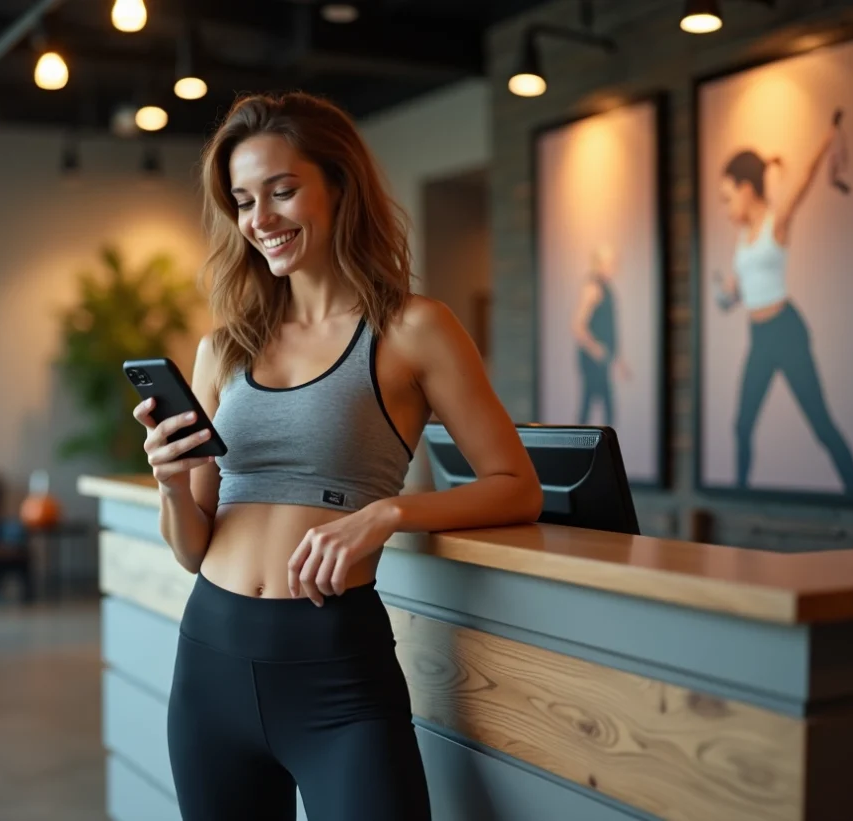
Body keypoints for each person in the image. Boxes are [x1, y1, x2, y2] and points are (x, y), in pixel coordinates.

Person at [130, 91, 544, 821]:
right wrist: (169, 483)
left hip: (335, 668)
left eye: (282, 191)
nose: (261, 219)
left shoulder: (413, 328)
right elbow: (192, 548)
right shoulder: (224, 347)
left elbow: (517, 486)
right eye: (243, 201)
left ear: (340, 186)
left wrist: (386, 514)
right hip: (209, 662)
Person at [713, 108, 853, 495]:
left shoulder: (775, 222)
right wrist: (725, 295)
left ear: (746, 189)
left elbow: (806, 177)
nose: (726, 209)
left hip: (787, 332)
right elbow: (737, 292)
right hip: (759, 337)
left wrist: (828, 137)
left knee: (821, 425)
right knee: (742, 425)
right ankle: (741, 495)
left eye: (727, 198)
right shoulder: (742, 239)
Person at [571, 244, 631, 426]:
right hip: (592, 361)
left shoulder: (607, 288)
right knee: (595, 404)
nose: (614, 267)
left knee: (600, 406)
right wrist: (596, 349)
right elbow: (577, 326)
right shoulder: (592, 288)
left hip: (603, 359)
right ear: (599, 264)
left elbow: (610, 327)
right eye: (610, 263)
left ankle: (593, 442)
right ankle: (583, 442)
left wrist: (618, 360)